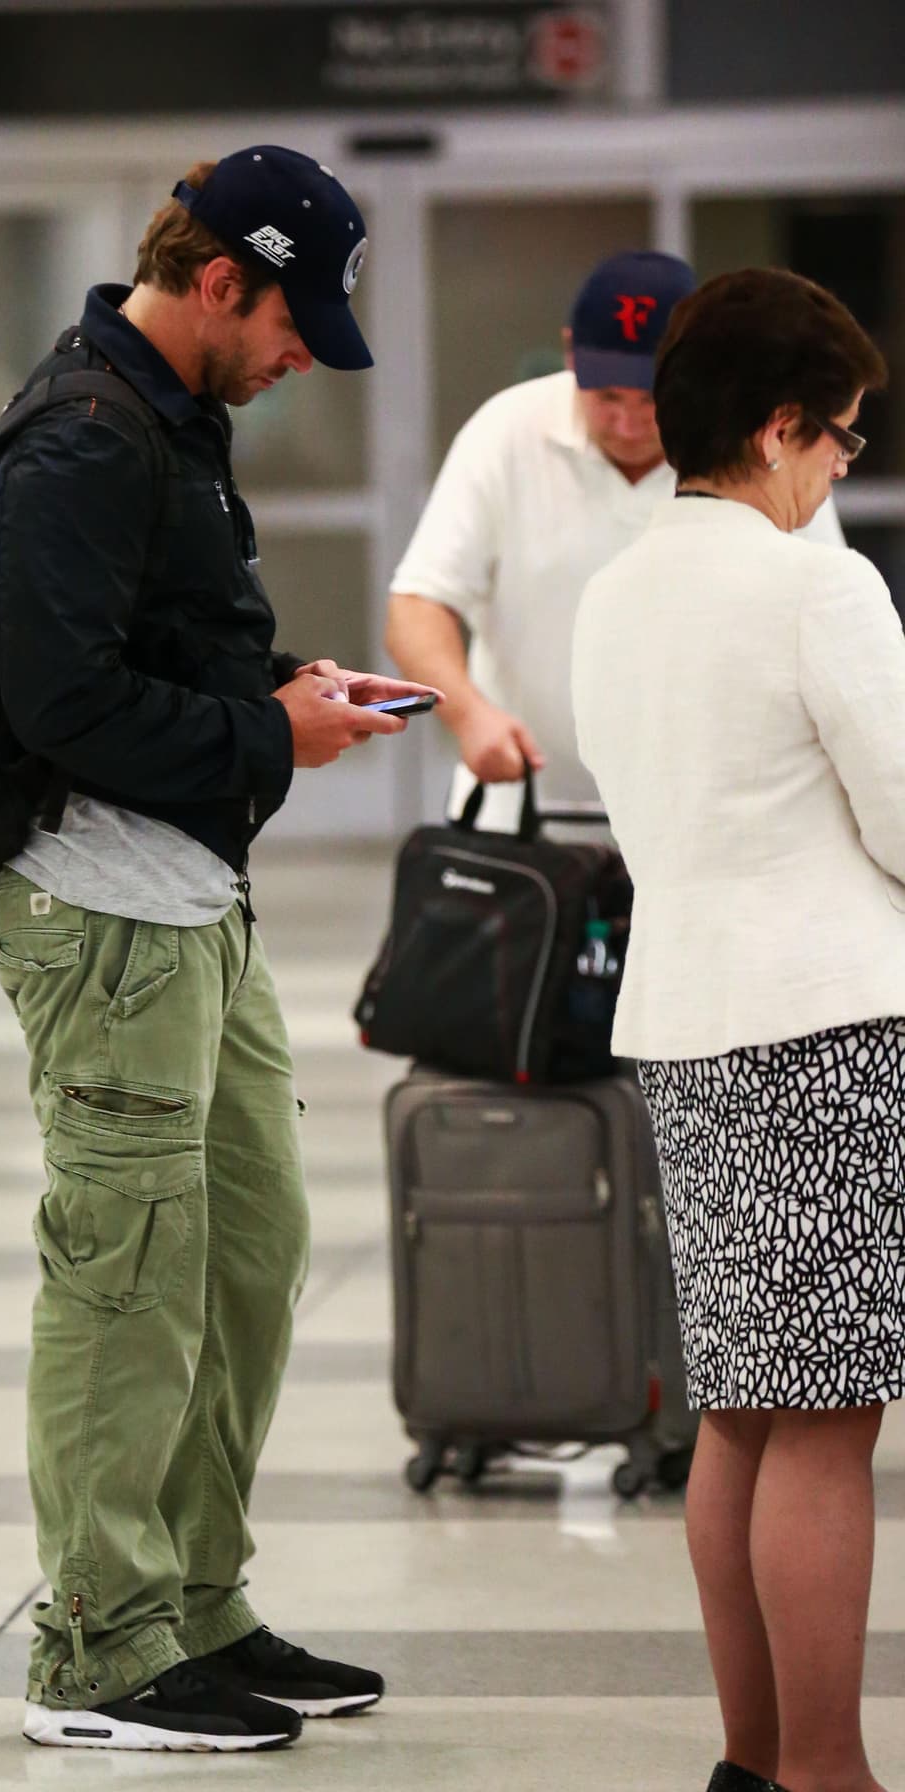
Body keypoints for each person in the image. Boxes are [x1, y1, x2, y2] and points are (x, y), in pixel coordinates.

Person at [0, 146, 436, 1754]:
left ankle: (196, 1604)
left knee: (247, 1253)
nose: (305, 348)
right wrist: (270, 735)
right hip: (102, 918)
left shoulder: (170, 420)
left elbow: (146, 650)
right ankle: (96, 1651)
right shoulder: (85, 436)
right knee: (127, 1279)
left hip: (191, 903)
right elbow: (59, 704)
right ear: (220, 278)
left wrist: (289, 691)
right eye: (293, 317)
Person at [571, 268, 899, 1792]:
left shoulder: (620, 587)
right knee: (829, 1425)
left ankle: (757, 1761)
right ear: (775, 433)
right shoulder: (817, 583)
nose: (842, 464)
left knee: (745, 1415)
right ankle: (834, 1772)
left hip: (688, 1023)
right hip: (826, 1029)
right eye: (835, 437)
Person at [385, 251, 844, 829]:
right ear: (571, 351)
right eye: (606, 397)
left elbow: (826, 619)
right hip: (527, 814)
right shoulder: (506, 432)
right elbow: (417, 603)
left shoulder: (756, 449)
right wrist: (471, 715)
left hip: (710, 823)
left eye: (649, 400)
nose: (627, 424)